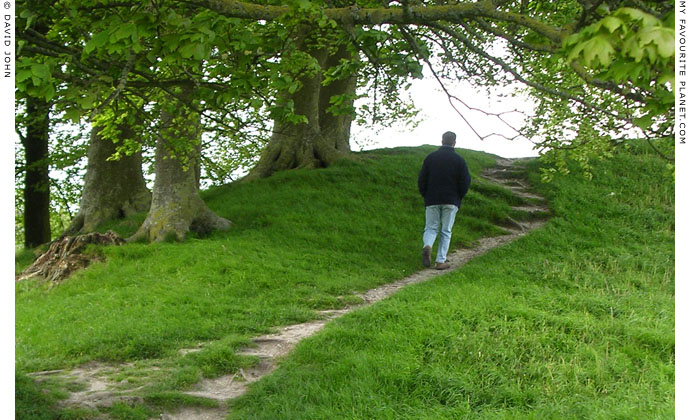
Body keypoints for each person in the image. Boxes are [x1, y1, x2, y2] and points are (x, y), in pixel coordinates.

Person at [417, 131, 471, 270]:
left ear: (442, 141)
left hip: (432, 199)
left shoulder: (431, 158)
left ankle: (427, 246)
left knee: (430, 227)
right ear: (454, 142)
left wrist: (425, 194)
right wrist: (459, 196)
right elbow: (465, 181)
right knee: (446, 230)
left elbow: (422, 179)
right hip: (451, 200)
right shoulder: (459, 160)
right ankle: (440, 260)